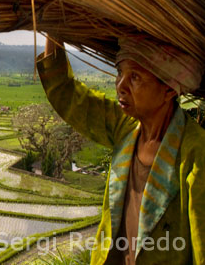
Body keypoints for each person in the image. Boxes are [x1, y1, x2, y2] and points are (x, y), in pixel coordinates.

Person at [36, 36, 205, 265]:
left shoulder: (195, 152)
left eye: (134, 77)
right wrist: (52, 27)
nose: (120, 86)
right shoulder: (125, 128)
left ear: (168, 90)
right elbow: (67, 95)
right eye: (120, 73)